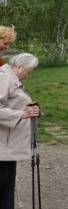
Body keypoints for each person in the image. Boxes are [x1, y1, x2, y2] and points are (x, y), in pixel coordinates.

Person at [0, 53, 42, 209]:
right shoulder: (3, 78)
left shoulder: (13, 79)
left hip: (9, 144)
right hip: (3, 143)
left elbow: (17, 104)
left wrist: (34, 111)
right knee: (3, 184)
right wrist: (22, 114)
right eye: (28, 71)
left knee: (7, 187)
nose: (28, 75)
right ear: (19, 67)